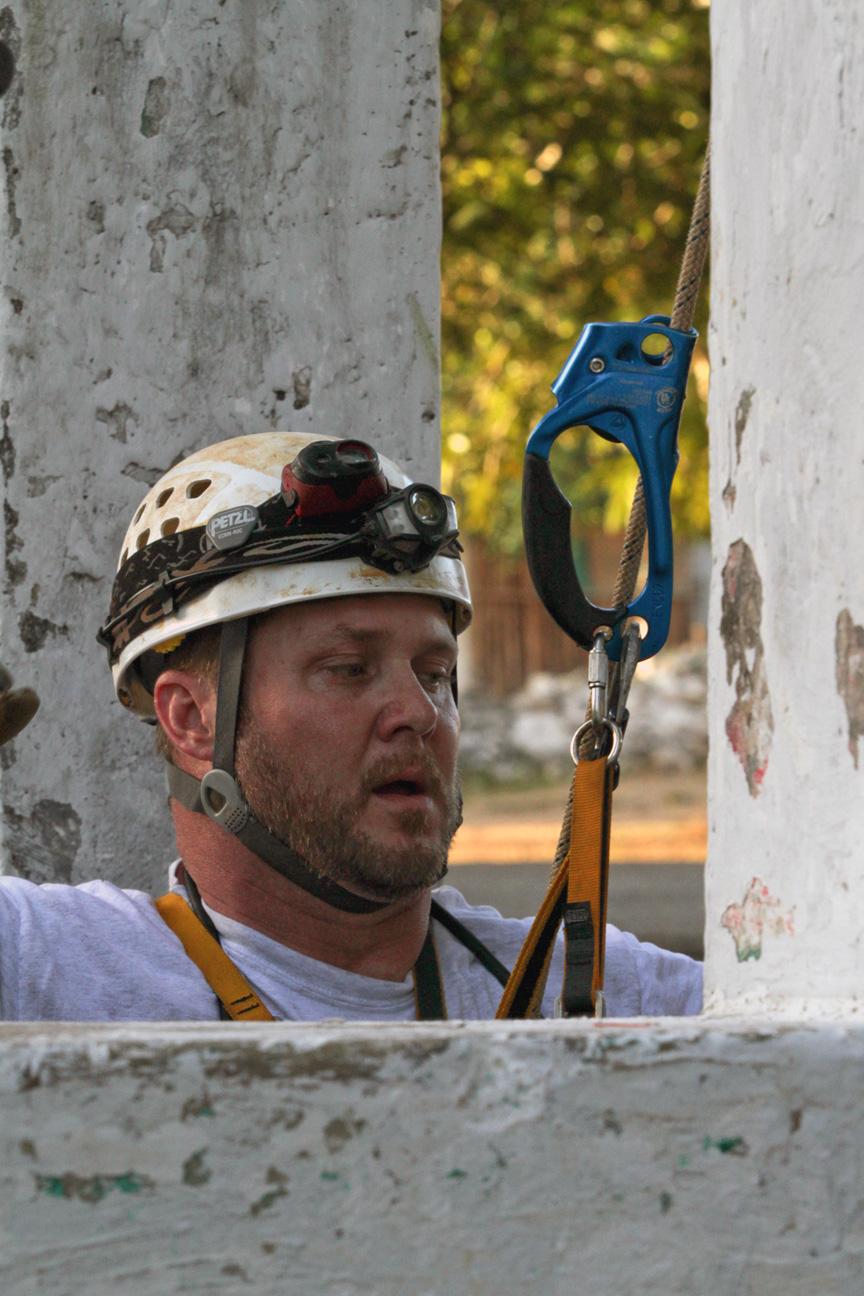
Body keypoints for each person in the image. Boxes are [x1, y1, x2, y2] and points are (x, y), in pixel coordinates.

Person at [0, 432, 701, 1021]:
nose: (421, 714)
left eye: (434, 673)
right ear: (190, 718)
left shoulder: (611, 994)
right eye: (348, 669)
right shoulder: (49, 971)